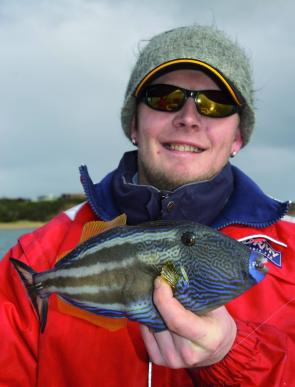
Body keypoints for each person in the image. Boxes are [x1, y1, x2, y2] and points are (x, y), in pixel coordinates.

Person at [0, 24, 294, 387]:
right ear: (134, 124)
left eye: (215, 103)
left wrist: (233, 356)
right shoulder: (34, 256)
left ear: (237, 136)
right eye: (164, 97)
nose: (189, 117)